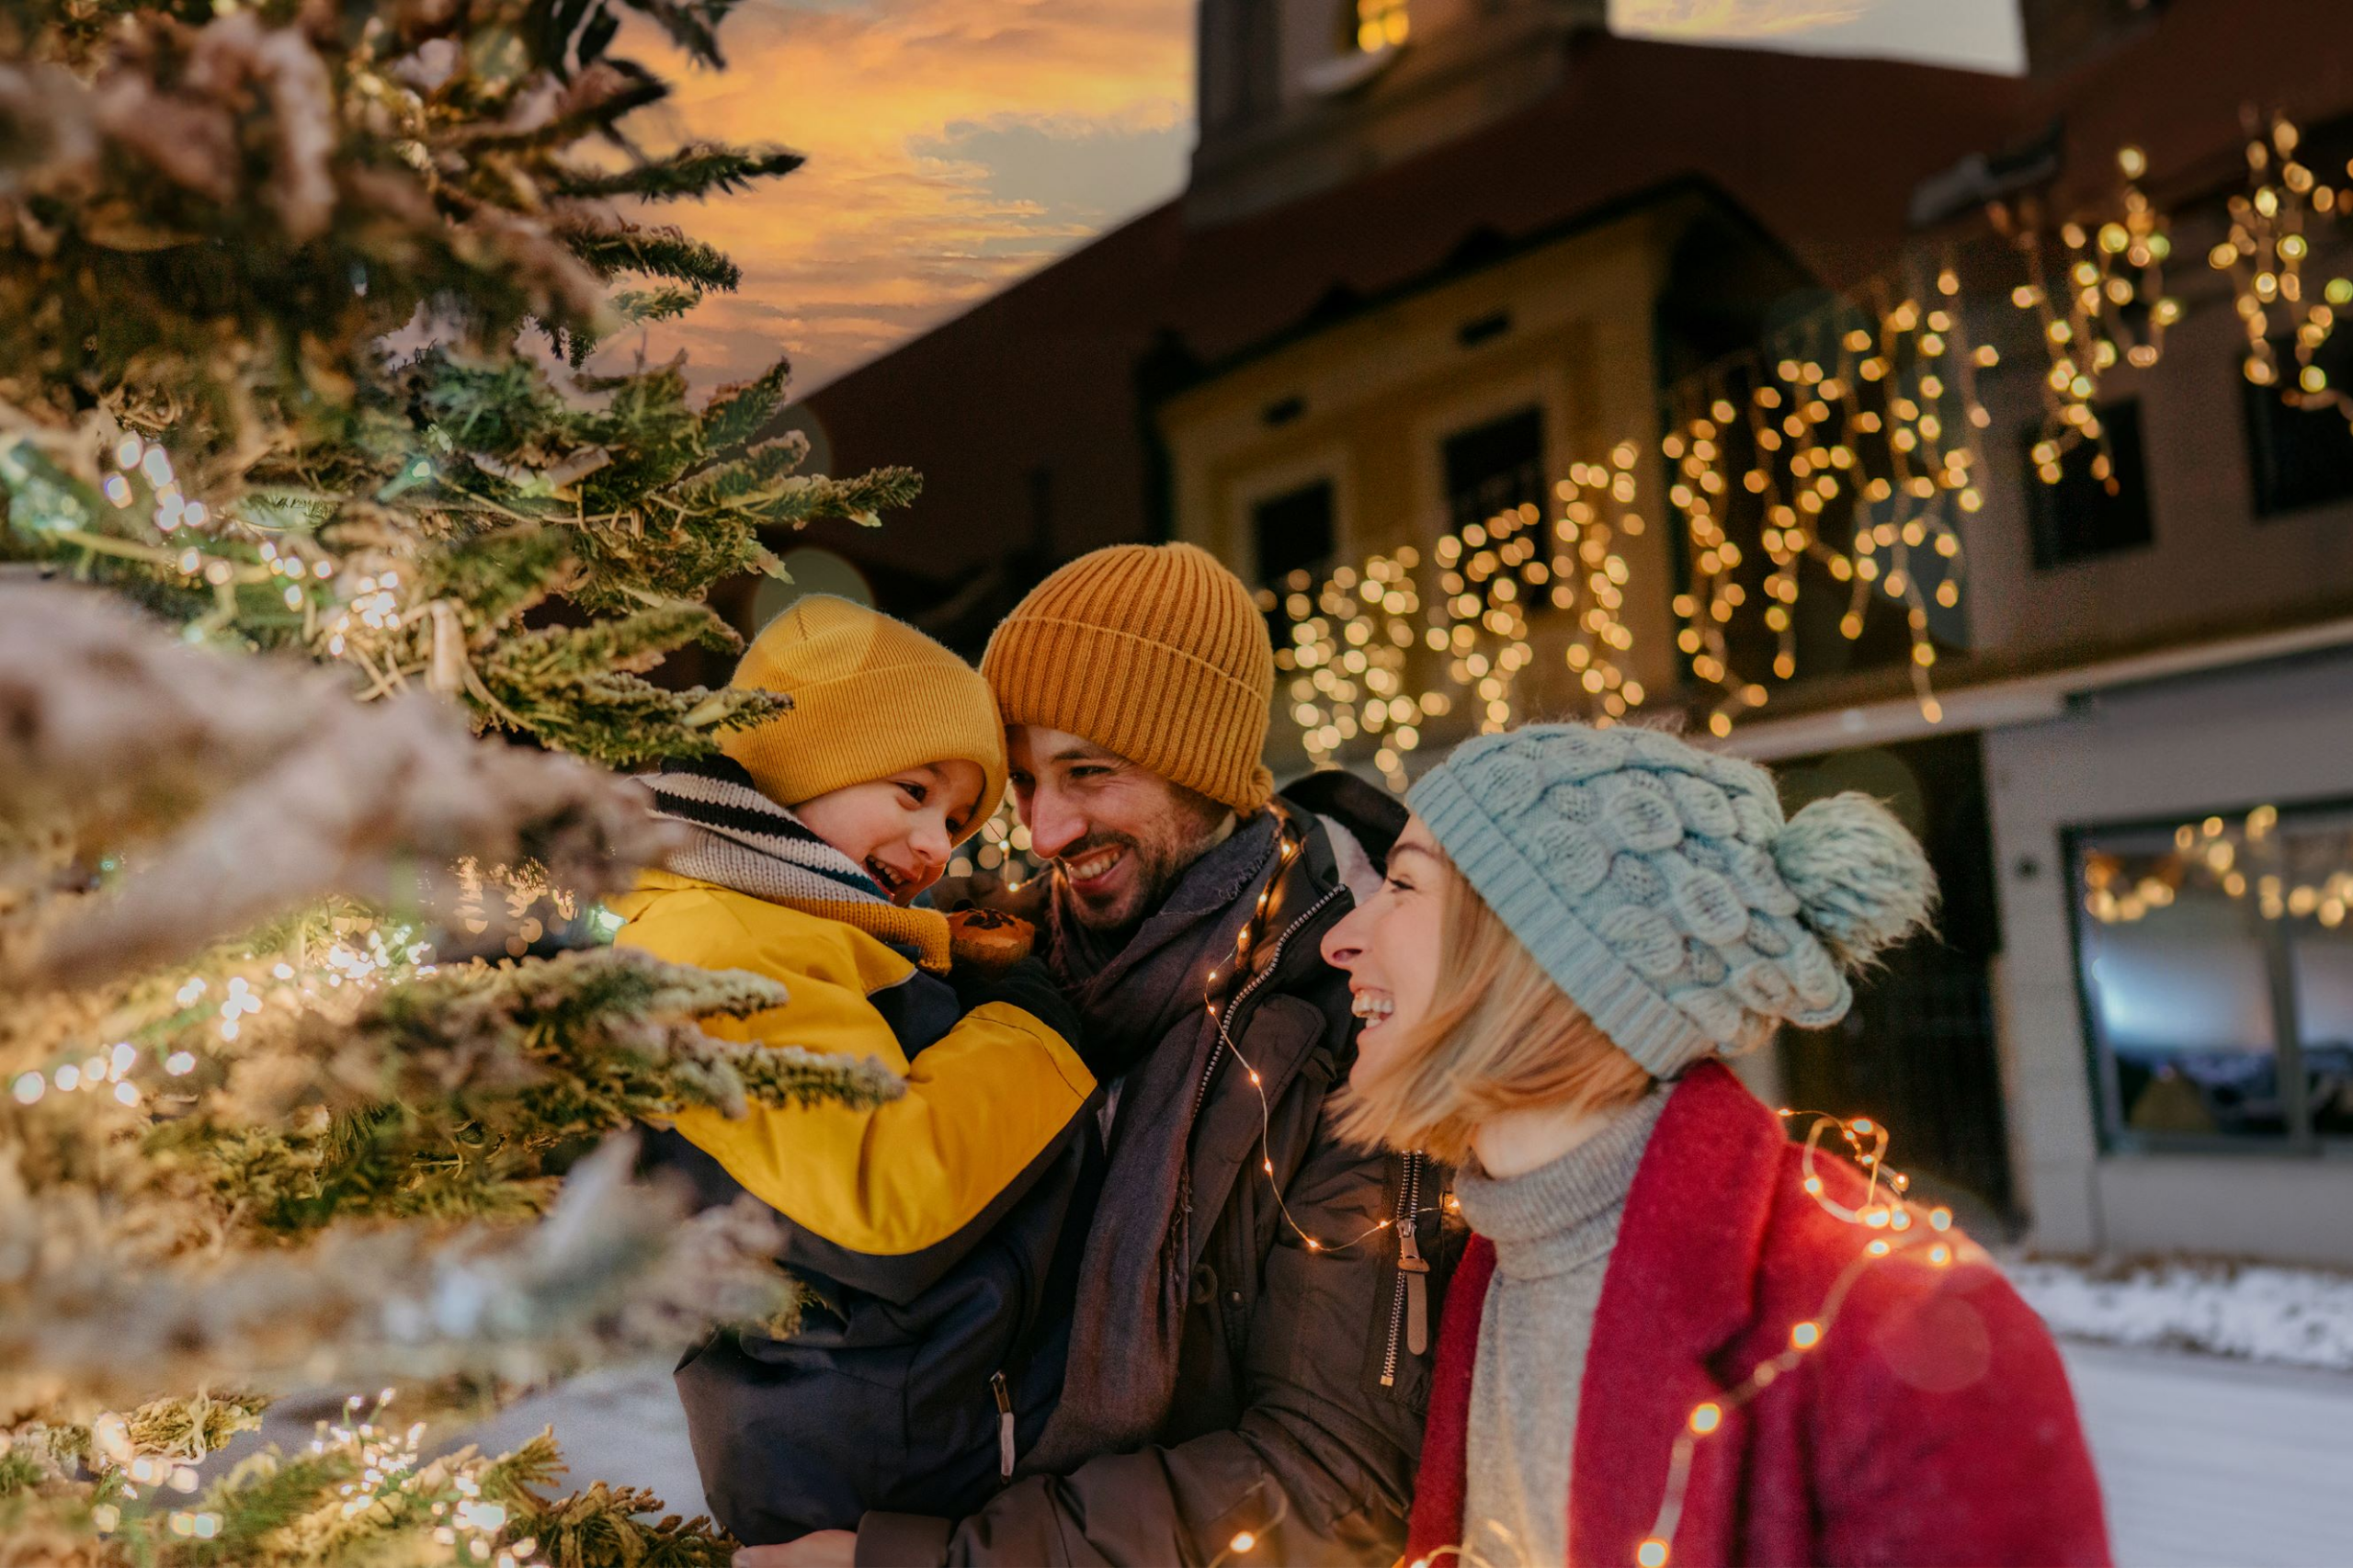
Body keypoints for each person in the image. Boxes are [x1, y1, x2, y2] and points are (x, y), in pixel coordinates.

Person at [747, 542, 1460, 1566]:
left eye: (1089, 772)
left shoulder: (1350, 1021)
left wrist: (932, 1559)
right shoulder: (992, 968)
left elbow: (1329, 1478)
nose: (1043, 828)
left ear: (1204, 767)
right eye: (1027, 778)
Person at [1318, 722, 2112, 1568]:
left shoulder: (1902, 1331)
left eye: (1404, 885)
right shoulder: (1495, 1264)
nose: (1341, 939)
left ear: (1548, 952)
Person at [609, 595, 1099, 1546]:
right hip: (856, 1483)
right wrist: (1032, 1024)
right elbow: (879, 1195)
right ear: (799, 767)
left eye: (956, 818)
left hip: (888, 1449)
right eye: (911, 792)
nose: (934, 845)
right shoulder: (718, 938)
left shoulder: (799, 928)